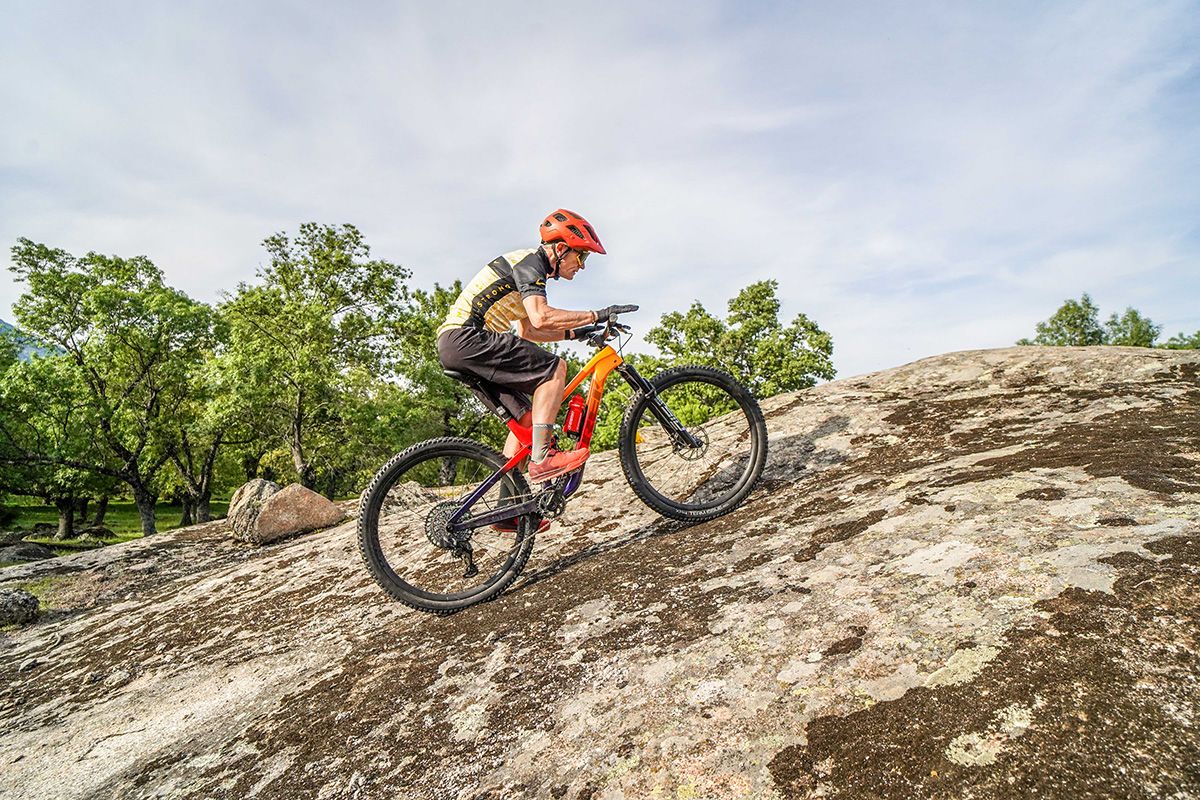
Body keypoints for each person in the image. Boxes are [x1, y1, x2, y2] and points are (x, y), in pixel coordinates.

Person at [436, 210, 636, 527]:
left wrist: (577, 332)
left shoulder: (530, 270)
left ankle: (507, 511)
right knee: (555, 368)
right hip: (469, 338)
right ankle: (543, 459)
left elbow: (531, 330)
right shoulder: (531, 263)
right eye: (581, 256)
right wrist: (596, 314)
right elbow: (542, 317)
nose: (581, 265)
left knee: (528, 423)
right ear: (560, 248)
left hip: (459, 345)